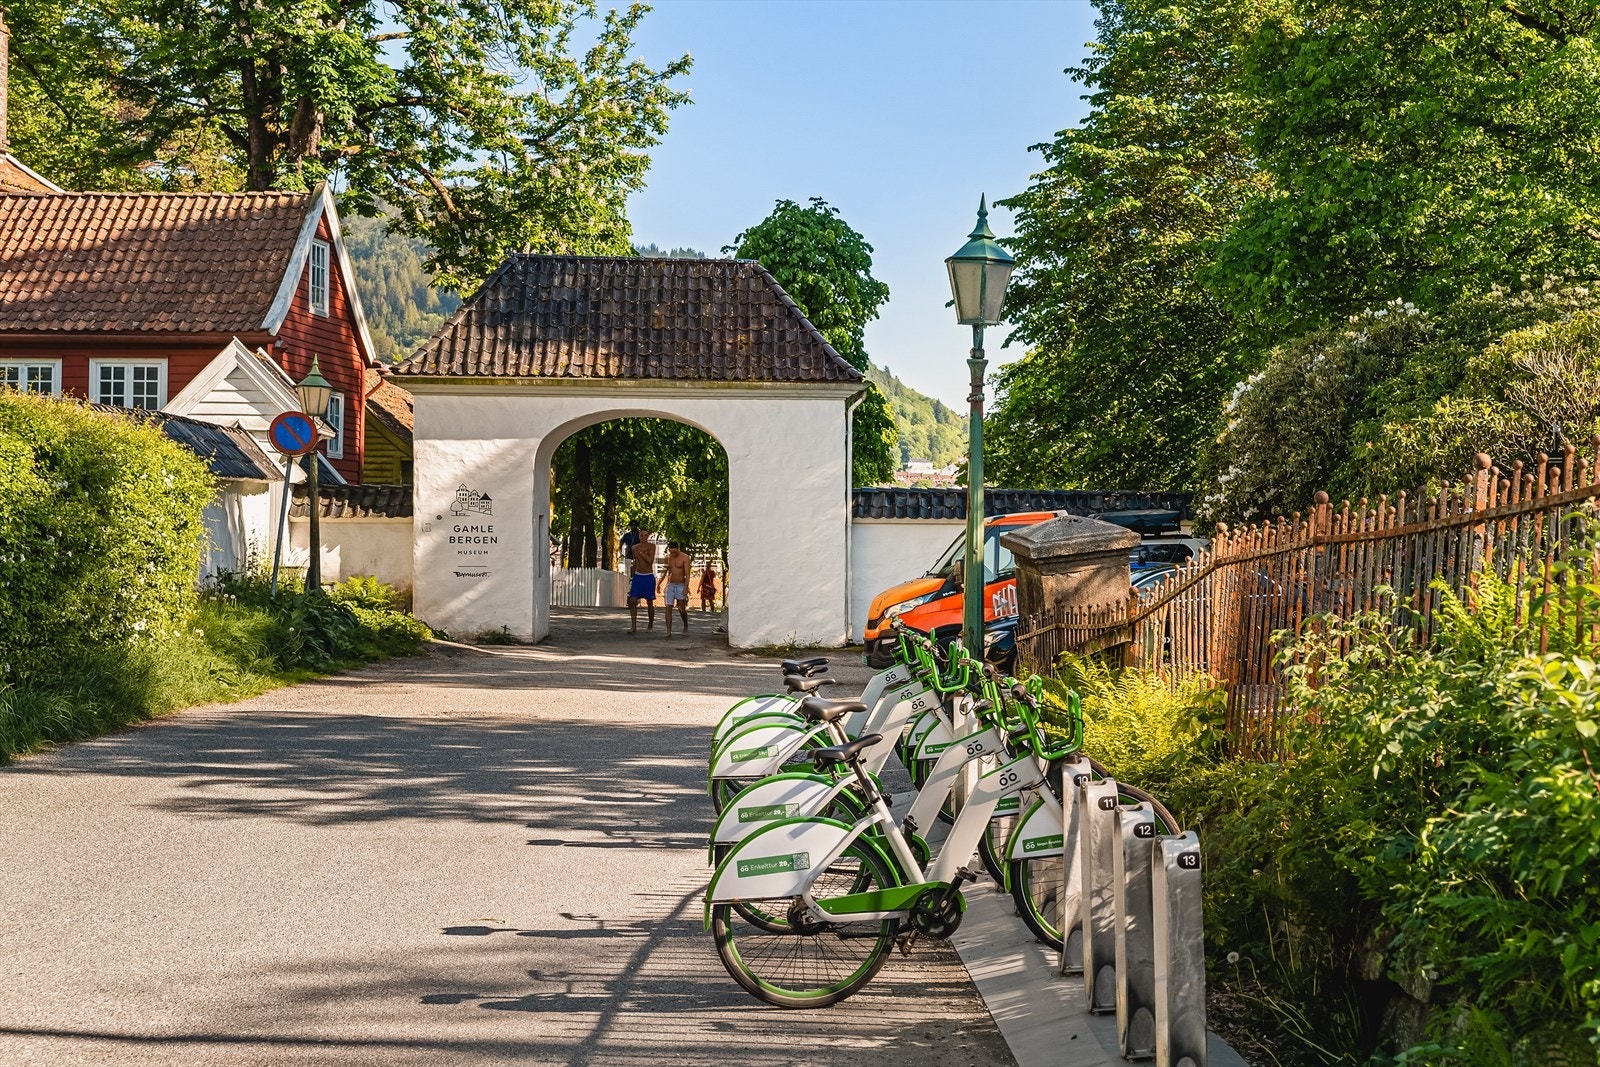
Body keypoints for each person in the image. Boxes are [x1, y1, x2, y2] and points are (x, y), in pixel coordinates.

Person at [627, 530, 658, 633]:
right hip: (638, 576)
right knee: (632, 600)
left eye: (645, 535)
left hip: (648, 576)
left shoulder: (652, 546)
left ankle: (650, 625)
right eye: (641, 535)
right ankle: (633, 626)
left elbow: (650, 560)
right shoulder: (634, 547)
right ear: (639, 536)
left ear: (648, 536)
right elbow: (635, 562)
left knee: (649, 602)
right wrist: (632, 576)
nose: (643, 537)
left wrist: (641, 553)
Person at [662, 542, 692, 636]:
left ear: (678, 549)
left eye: (675, 552)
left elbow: (687, 574)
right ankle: (668, 631)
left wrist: (686, 587)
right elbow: (666, 572)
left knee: (681, 608)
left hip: (681, 584)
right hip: (671, 584)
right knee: (668, 607)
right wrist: (660, 583)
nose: (673, 554)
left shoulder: (685, 558)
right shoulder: (668, 558)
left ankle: (685, 625)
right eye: (671, 552)